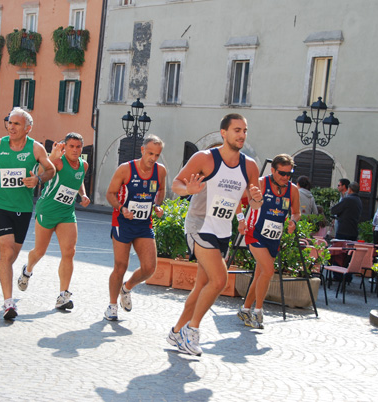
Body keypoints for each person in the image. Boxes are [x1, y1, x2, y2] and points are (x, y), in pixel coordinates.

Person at [166, 114, 262, 356]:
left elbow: (252, 200)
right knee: (219, 280)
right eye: (237, 130)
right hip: (199, 225)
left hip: (222, 229)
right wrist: (188, 188)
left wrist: (256, 201)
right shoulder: (205, 158)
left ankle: (176, 331)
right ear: (224, 132)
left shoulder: (249, 166)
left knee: (201, 287)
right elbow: (175, 184)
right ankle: (192, 331)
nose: (242, 135)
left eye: (245, 130)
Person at [0, 107, 55, 320]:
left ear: (28, 128)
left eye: (16, 124)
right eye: (9, 122)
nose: (11, 127)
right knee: (6, 250)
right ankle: (9, 304)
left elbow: (51, 170)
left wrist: (38, 180)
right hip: (0, 205)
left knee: (10, 257)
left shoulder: (36, 149)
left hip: (23, 208)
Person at [18, 133, 91, 310]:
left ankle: (63, 295)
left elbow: (78, 179)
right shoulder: (58, 162)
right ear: (64, 147)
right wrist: (51, 157)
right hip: (48, 210)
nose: (75, 150)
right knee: (40, 251)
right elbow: (40, 174)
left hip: (66, 212)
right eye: (71, 146)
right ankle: (27, 270)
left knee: (69, 252)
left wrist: (83, 194)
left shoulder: (84, 165)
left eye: (78, 147)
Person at [104, 135, 167, 321]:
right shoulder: (125, 169)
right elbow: (110, 194)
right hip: (123, 222)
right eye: (150, 153)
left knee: (149, 268)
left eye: (157, 155)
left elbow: (161, 191)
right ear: (142, 150)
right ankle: (112, 305)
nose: (153, 158)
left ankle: (127, 288)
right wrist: (121, 208)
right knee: (120, 266)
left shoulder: (160, 171)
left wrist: (157, 205)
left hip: (143, 223)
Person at [239, 154, 300, 330]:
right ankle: (257, 313)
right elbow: (239, 199)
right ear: (272, 170)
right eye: (282, 173)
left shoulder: (293, 190)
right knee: (268, 270)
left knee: (260, 275)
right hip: (255, 233)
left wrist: (293, 222)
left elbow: (296, 212)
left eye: (289, 174)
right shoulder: (261, 183)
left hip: (273, 238)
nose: (285, 177)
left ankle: (245, 309)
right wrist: (241, 220)